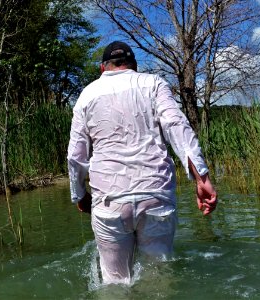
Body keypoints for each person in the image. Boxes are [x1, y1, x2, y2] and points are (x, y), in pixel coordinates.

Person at [67, 41, 217, 284]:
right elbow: (175, 126)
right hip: (156, 196)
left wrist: (79, 195)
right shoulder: (153, 83)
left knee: (114, 283)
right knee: (158, 281)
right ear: (134, 66)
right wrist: (202, 177)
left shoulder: (87, 94)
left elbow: (76, 155)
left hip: (110, 200)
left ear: (102, 68)